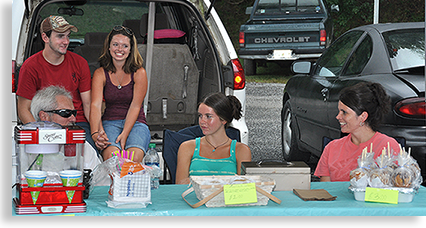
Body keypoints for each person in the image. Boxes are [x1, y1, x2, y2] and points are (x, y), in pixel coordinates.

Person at [16, 16, 93, 148]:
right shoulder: (30, 66)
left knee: (87, 157)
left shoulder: (80, 63)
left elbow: (88, 104)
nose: (66, 41)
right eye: (60, 36)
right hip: (44, 123)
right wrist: (41, 137)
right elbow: (24, 109)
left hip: (76, 122)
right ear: (45, 38)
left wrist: (97, 132)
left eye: (68, 36)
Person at [314, 82, 401, 182]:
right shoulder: (331, 148)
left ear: (363, 117)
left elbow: (394, 188)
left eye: (344, 112)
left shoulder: (388, 147)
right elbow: (326, 191)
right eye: (339, 111)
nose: (338, 117)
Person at [90, 26, 149, 163]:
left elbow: (135, 106)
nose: (119, 49)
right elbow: (96, 105)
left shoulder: (139, 73)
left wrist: (125, 134)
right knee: (113, 159)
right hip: (110, 122)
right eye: (115, 44)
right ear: (109, 47)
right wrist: (95, 133)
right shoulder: (100, 73)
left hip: (136, 123)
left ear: (130, 49)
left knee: (132, 159)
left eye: (125, 46)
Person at [175, 92, 252, 185]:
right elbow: (179, 186)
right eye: (200, 116)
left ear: (223, 119)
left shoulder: (241, 151)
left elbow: (245, 189)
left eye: (208, 116)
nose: (202, 121)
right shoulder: (187, 148)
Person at [30, 86, 101, 169]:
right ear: (44, 116)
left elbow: (98, 177)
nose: (73, 119)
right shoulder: (27, 148)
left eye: (73, 113)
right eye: (65, 113)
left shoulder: (82, 146)